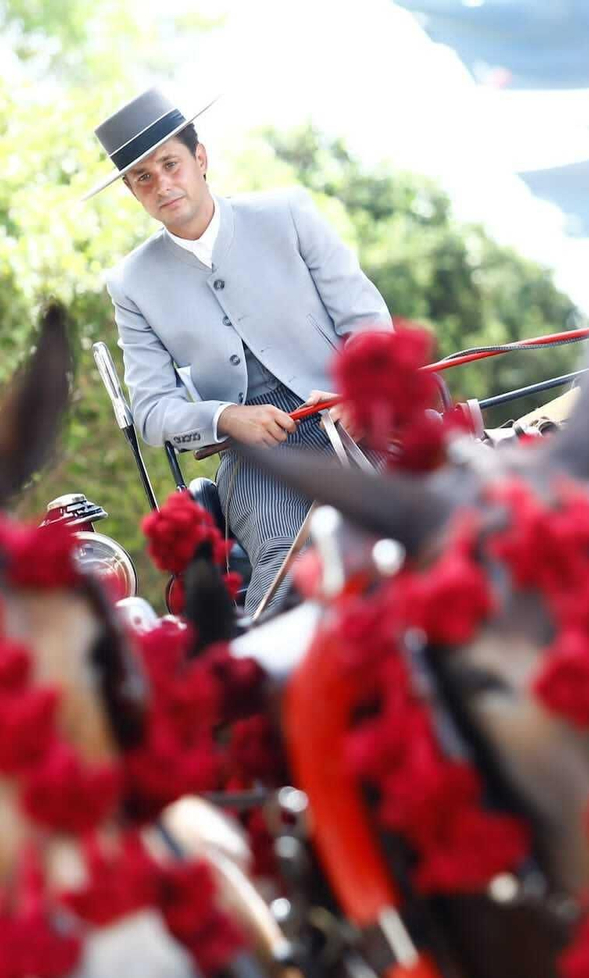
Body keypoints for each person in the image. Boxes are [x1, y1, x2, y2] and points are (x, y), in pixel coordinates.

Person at [89, 86, 392, 615]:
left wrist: (360, 395)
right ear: (133, 192)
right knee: (283, 573)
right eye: (144, 177)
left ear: (200, 158)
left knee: (428, 507)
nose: (162, 184)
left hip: (350, 417)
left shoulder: (287, 214)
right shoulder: (130, 284)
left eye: (171, 165)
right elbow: (153, 411)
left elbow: (368, 323)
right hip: (255, 459)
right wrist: (228, 418)